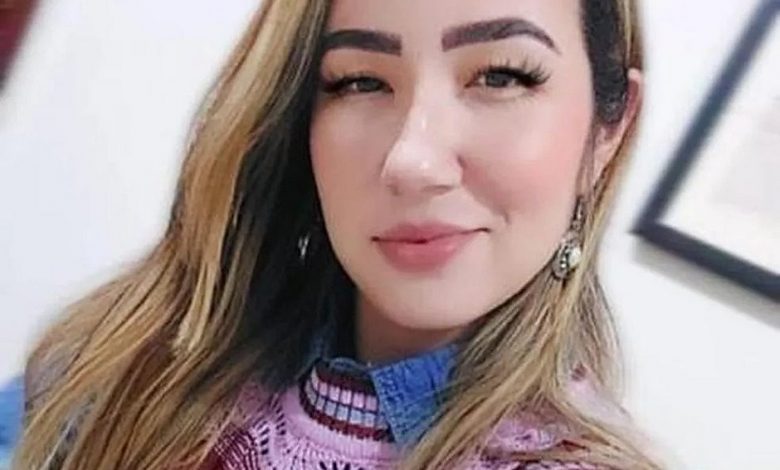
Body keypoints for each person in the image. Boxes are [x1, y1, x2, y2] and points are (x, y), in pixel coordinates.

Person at [14, 0, 661, 468]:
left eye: (502, 76)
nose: (413, 160)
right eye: (360, 81)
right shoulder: (130, 358)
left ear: (610, 129)